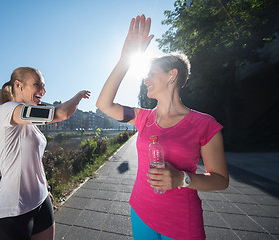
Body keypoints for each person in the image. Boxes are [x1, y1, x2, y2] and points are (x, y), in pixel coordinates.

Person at [96, 15, 229, 240]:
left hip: (181, 222)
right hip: (140, 211)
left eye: (151, 74)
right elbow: (103, 104)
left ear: (172, 75)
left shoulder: (205, 124)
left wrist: (182, 179)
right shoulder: (143, 117)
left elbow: (220, 180)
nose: (146, 80)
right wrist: (125, 58)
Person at [0, 67, 90, 240]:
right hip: (14, 211)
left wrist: (46, 187)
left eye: (44, 86)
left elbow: (36, 158)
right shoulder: (7, 110)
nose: (43, 91)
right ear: (18, 85)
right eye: (37, 85)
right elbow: (60, 114)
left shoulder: (29, 121)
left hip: (42, 201)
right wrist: (78, 96)